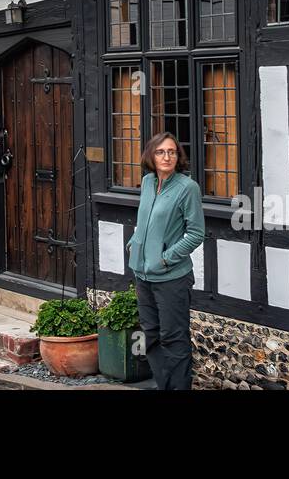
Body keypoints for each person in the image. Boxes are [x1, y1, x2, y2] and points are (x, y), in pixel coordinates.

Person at [125, 131, 205, 390]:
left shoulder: (187, 188)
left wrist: (166, 258)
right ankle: (164, 385)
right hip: (143, 275)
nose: (166, 156)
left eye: (172, 152)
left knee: (174, 339)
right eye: (160, 151)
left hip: (171, 277)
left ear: (178, 156)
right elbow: (145, 220)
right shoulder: (148, 182)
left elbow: (196, 233)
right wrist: (135, 243)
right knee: (152, 337)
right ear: (151, 155)